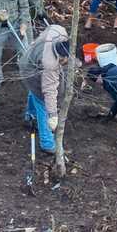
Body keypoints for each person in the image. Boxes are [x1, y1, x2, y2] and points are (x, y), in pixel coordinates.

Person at [19, 24, 71, 153]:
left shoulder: (59, 31)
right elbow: (49, 91)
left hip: (28, 57)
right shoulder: (50, 65)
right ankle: (47, 143)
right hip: (29, 71)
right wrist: (53, 115)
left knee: (34, 94)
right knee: (42, 103)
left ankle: (30, 115)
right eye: (63, 59)